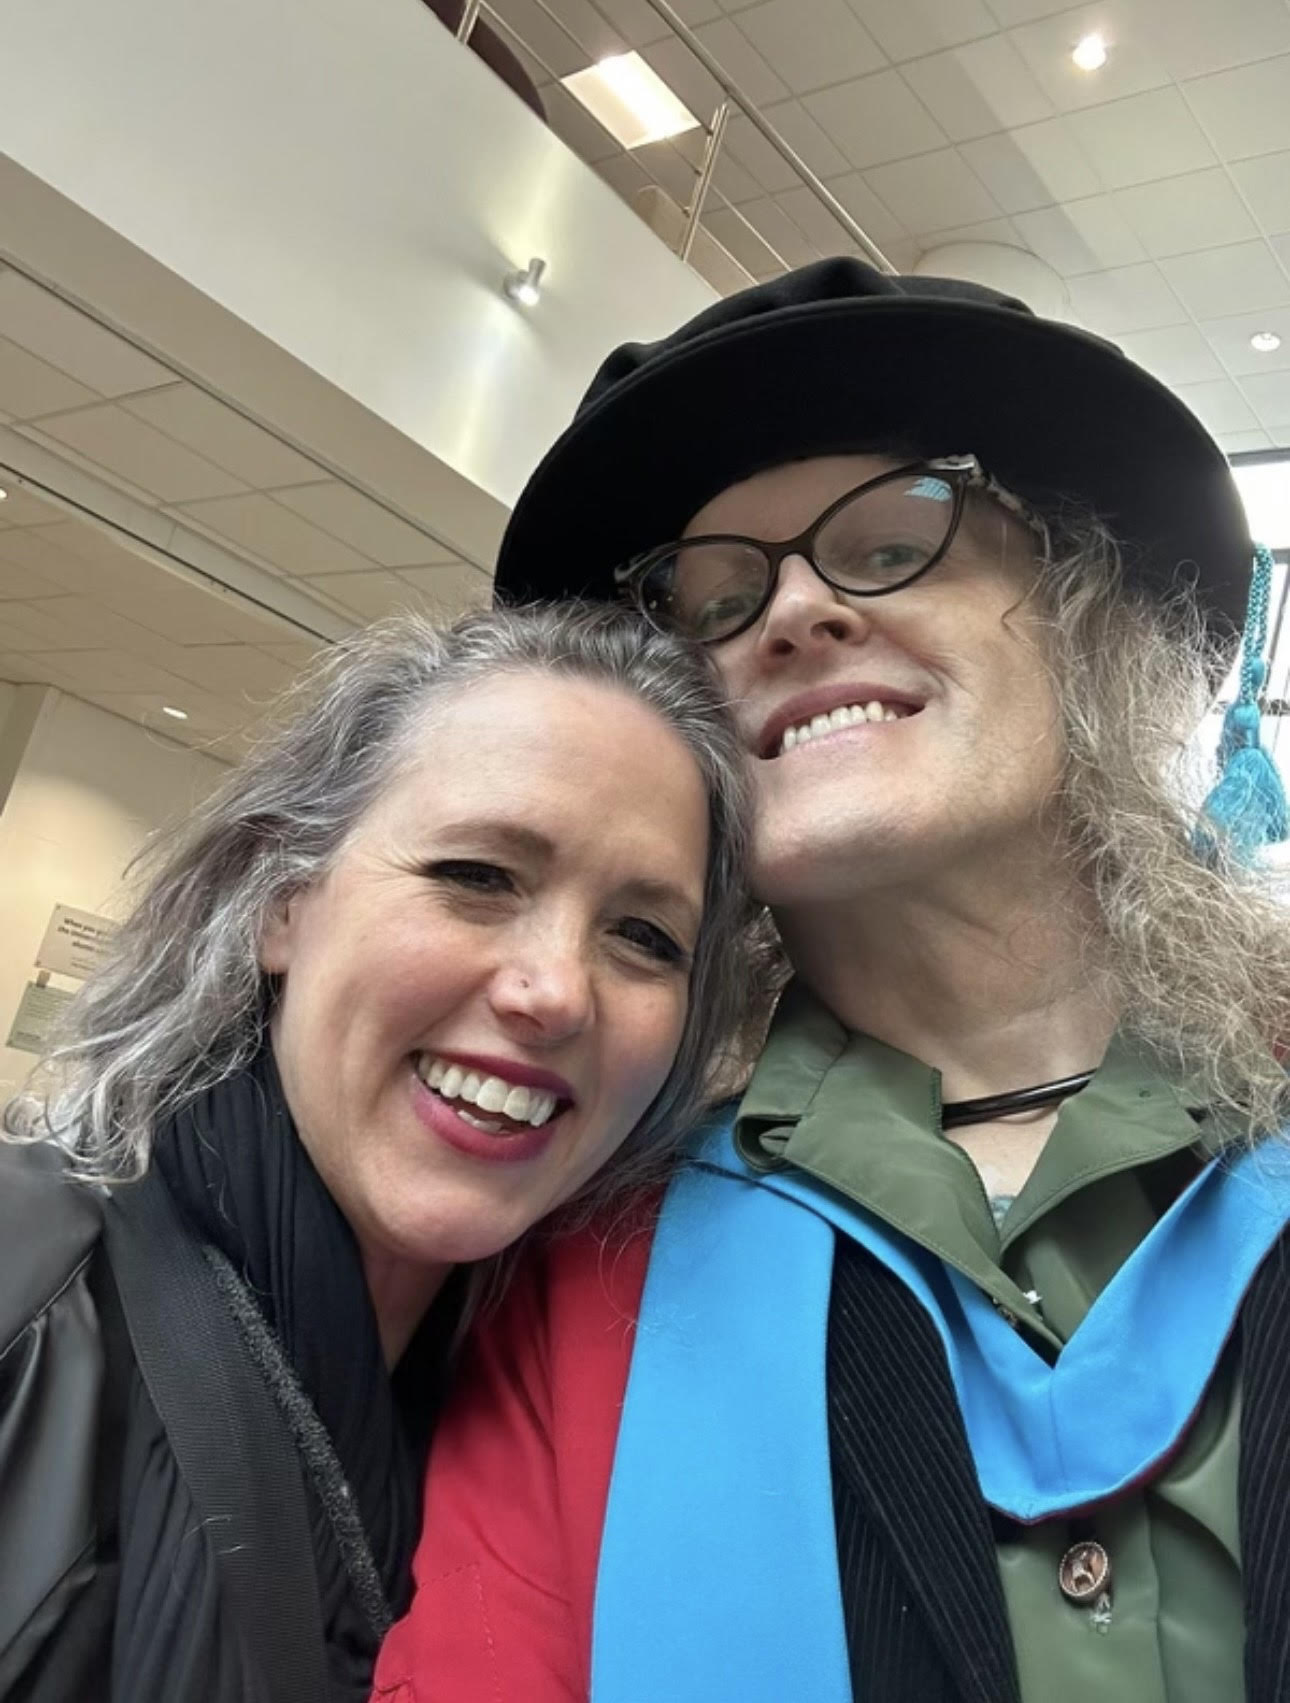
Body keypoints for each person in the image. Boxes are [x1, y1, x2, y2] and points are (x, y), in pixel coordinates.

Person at [375, 260, 1290, 1703]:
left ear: (1079, 612)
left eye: (893, 535)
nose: (791, 609)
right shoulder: (580, 1261)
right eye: (711, 594)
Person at [0, 601, 752, 1703]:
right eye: (477, 875)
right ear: (283, 899)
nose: (554, 990)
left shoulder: (556, 1415)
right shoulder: (31, 1289)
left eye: (644, 936)